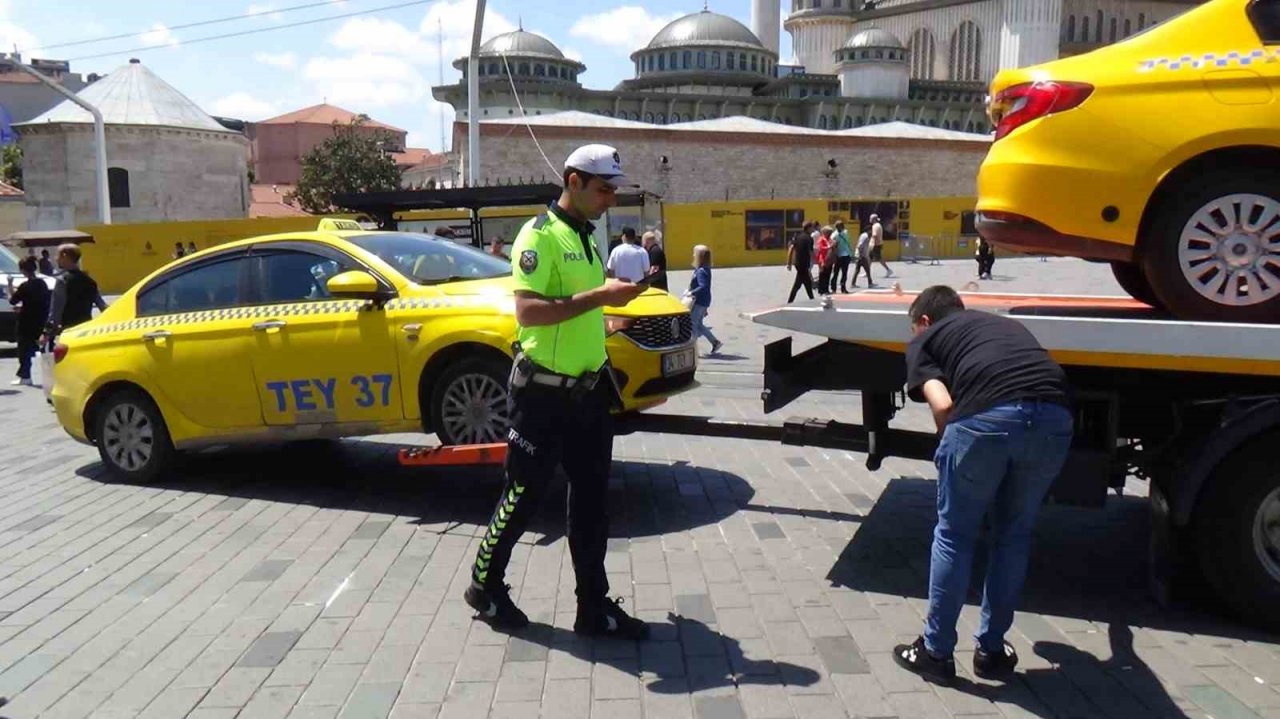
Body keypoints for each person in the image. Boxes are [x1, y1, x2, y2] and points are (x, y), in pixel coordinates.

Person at [463, 143, 650, 640]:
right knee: (522, 495)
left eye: (613, 189)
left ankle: (593, 607)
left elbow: (574, 311)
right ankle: (485, 586)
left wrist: (606, 319)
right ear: (573, 182)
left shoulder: (587, 236)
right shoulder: (538, 236)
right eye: (603, 189)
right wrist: (599, 296)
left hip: (588, 395)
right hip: (543, 397)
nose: (610, 198)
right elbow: (529, 312)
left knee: (591, 503)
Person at [894, 286, 1074, 686]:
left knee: (954, 536)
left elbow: (942, 405)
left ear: (923, 321)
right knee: (1013, 536)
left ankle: (936, 653)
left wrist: (952, 449)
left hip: (987, 421)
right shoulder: (1000, 324)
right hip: (1055, 418)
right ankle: (991, 651)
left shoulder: (925, 337)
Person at [42, 243, 107, 345]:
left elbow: (56, 311)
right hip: (87, 330)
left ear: (65, 256)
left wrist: (46, 334)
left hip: (69, 332)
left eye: (57, 255)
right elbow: (103, 306)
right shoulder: (90, 281)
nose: (56, 259)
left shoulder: (62, 281)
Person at [8, 257, 50, 387]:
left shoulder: (25, 286)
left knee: (24, 350)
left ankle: (25, 376)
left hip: (26, 322)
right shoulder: (42, 284)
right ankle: (52, 375)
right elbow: (41, 301)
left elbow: (12, 300)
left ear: (23, 270)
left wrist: (10, 285)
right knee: (45, 350)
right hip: (41, 320)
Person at [683, 244, 722, 356]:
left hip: (699, 301)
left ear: (699, 256)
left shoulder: (701, 271)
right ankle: (715, 342)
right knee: (699, 324)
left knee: (693, 324)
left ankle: (693, 350)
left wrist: (691, 292)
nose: (693, 255)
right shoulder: (705, 269)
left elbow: (703, 286)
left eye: (695, 253)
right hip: (704, 301)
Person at [786, 223, 815, 303]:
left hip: (797, 263)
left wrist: (789, 263)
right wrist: (818, 262)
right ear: (808, 228)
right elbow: (811, 252)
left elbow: (791, 248)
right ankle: (790, 301)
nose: (813, 229)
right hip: (804, 263)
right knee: (800, 283)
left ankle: (812, 299)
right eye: (812, 228)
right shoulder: (809, 238)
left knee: (804, 282)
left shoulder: (797, 237)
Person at [869, 213, 893, 278]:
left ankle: (888, 270)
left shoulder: (875, 226)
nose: (870, 219)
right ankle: (867, 271)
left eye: (870, 218)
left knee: (879, 258)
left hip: (875, 244)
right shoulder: (878, 225)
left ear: (873, 219)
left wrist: (873, 244)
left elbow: (874, 235)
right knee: (870, 258)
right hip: (877, 244)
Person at [832, 220, 853, 293]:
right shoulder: (844, 233)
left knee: (838, 272)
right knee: (841, 273)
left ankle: (835, 288)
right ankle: (841, 288)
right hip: (842, 255)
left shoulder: (834, 235)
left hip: (841, 255)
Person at [815, 226, 835, 296]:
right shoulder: (821, 239)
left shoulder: (830, 240)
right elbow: (820, 248)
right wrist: (829, 247)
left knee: (828, 274)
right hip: (822, 259)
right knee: (822, 275)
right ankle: (821, 290)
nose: (830, 234)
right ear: (824, 232)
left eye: (831, 233)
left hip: (829, 259)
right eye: (828, 232)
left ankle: (826, 289)